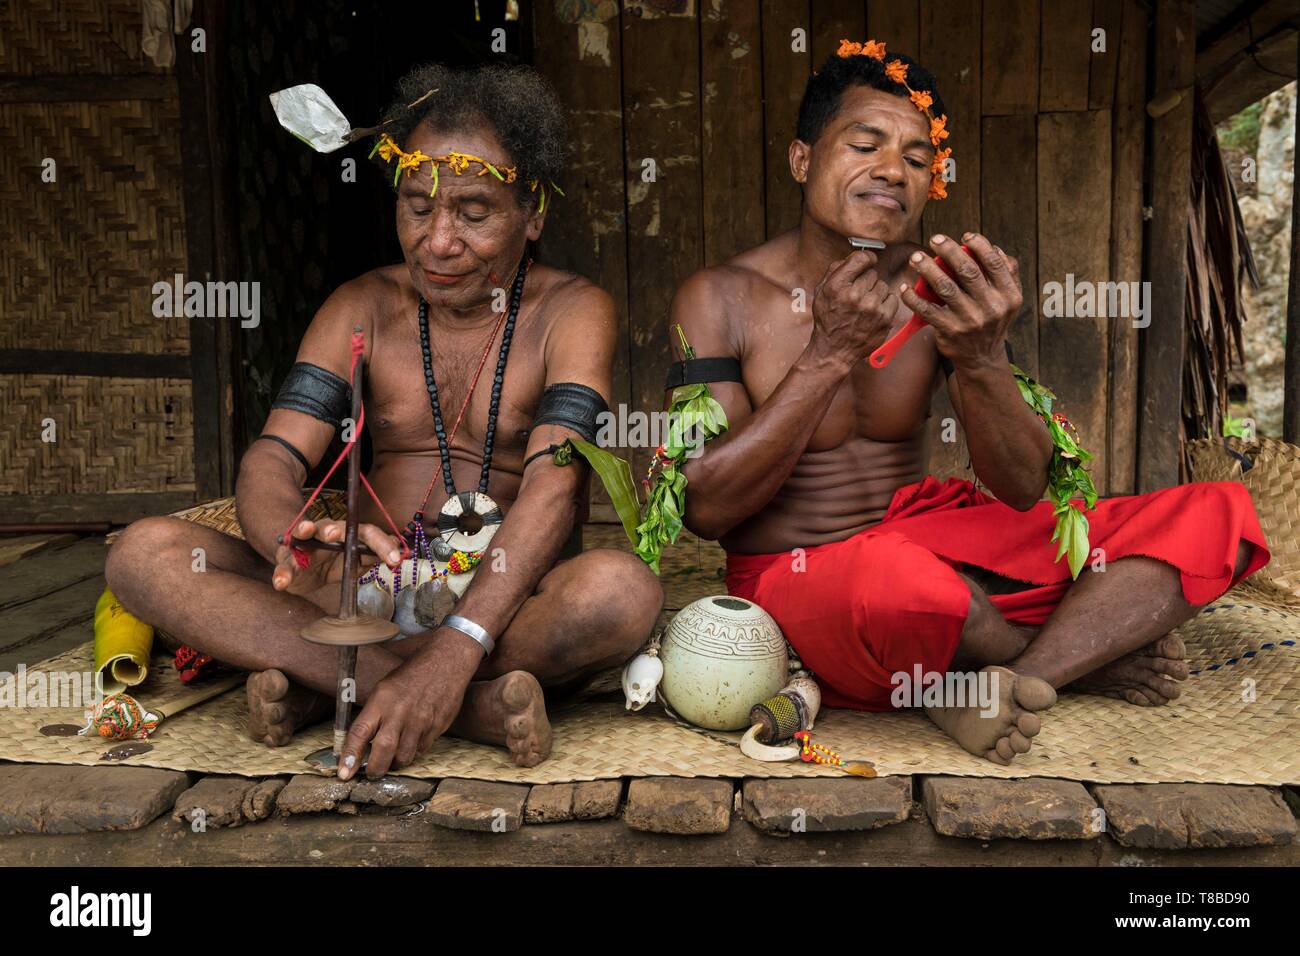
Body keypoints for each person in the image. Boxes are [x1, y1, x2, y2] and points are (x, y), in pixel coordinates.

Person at [665, 40, 1269, 764]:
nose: (893, 170)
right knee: (899, 582)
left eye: (919, 160)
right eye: (866, 144)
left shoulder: (942, 292)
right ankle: (1080, 658)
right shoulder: (721, 297)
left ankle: (1011, 679)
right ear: (802, 160)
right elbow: (706, 508)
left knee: (1215, 518)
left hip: (931, 548)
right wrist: (828, 355)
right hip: (803, 584)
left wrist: (981, 356)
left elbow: (1020, 488)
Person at [107, 63, 663, 777]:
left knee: (622, 591)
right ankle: (448, 704)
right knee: (142, 553)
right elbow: (274, 458)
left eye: (473, 212)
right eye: (417, 207)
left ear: (534, 215)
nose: (438, 241)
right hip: (361, 588)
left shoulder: (573, 312)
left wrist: (460, 640)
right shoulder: (361, 304)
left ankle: (337, 686)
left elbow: (556, 487)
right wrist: (297, 538)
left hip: (502, 600)